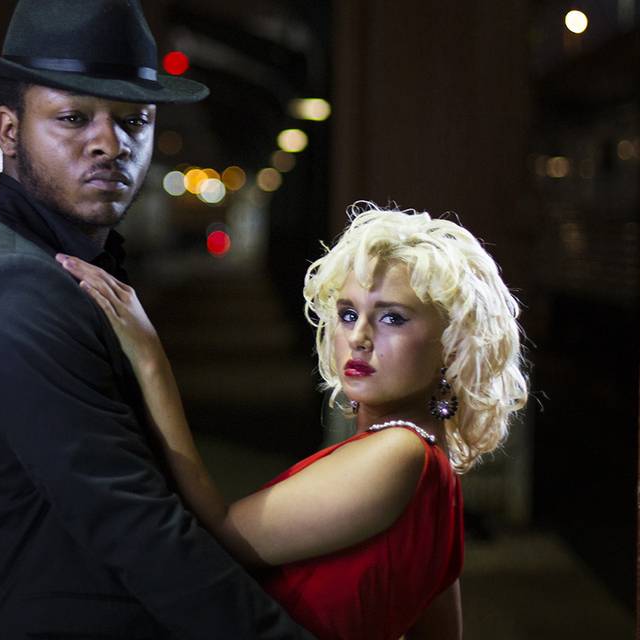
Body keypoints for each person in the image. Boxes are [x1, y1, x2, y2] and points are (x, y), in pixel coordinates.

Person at [0, 1, 315, 638]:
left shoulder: (57, 264)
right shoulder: (12, 291)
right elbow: (140, 529)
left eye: (134, 119)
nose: (110, 142)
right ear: (10, 130)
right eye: (74, 118)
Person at [59, 202, 529, 640]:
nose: (359, 337)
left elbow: (219, 535)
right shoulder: (438, 478)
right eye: (348, 314)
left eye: (392, 319)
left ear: (453, 344)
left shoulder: (399, 453)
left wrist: (150, 360)